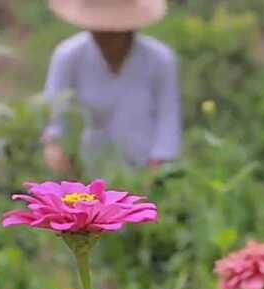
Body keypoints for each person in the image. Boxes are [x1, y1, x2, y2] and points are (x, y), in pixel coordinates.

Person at [42, 0, 182, 174]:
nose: (104, 36)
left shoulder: (160, 59)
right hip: (84, 169)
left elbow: (168, 116)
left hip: (142, 167)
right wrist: (58, 150)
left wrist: (157, 164)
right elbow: (54, 115)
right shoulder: (68, 56)